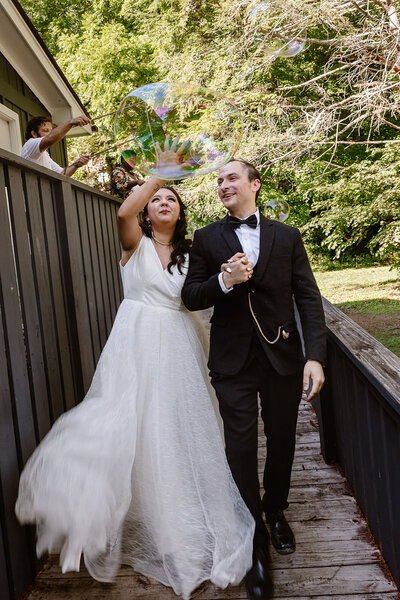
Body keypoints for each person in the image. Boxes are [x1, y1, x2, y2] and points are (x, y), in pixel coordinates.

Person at [15, 138, 255, 600]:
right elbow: (124, 213)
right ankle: (137, 508)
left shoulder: (192, 254)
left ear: (180, 214)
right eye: (157, 200)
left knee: (178, 427)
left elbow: (200, 294)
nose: (163, 203)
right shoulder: (134, 241)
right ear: (148, 210)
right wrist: (162, 174)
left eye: (171, 200)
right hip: (136, 342)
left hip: (180, 345)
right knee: (130, 421)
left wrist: (226, 274)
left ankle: (182, 510)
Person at [181, 158, 327, 600]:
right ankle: (254, 540)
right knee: (239, 447)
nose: (222, 184)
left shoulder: (288, 236)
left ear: (253, 185)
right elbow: (190, 295)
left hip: (283, 357)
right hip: (232, 362)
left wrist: (314, 356)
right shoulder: (206, 238)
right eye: (218, 180)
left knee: (282, 437)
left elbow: (307, 296)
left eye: (230, 177)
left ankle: (275, 509)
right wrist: (224, 281)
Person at [21, 115, 91, 175]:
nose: (50, 134)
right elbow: (51, 138)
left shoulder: (44, 154)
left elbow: (62, 173)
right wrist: (71, 122)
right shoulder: (30, 144)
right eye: (46, 130)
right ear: (34, 134)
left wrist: (77, 164)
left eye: (51, 131)